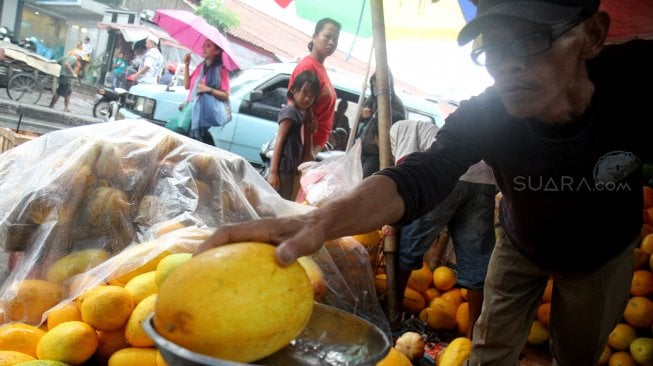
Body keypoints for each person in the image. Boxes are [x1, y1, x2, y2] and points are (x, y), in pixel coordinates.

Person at [198, 0, 653, 364]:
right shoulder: (489, 114)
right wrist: (322, 219)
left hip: (601, 253)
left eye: (531, 40)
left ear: (591, 35)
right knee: (489, 349)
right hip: (522, 243)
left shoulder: (637, 81)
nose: (506, 66)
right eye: (493, 48)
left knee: (577, 355)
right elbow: (420, 176)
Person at [389, 119, 496, 340]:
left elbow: (404, 168)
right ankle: (471, 336)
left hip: (451, 174)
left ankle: (394, 313)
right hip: (486, 177)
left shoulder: (401, 129)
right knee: (477, 260)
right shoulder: (432, 130)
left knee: (410, 243)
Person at [288, 18, 341, 159]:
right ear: (315, 36)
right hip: (303, 145)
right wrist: (307, 150)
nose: (331, 42)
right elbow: (297, 109)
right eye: (327, 36)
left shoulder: (320, 67)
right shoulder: (308, 67)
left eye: (335, 39)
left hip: (312, 146)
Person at [267, 70, 321, 200]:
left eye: (312, 96)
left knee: (286, 198)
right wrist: (273, 172)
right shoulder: (290, 111)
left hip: (291, 168)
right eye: (304, 93)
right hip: (283, 168)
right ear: (294, 90)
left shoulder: (300, 112)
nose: (307, 98)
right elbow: (279, 142)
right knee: (280, 201)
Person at [358, 69, 407, 178]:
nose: (376, 89)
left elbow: (397, 128)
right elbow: (360, 120)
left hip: (377, 153)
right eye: (374, 85)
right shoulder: (371, 100)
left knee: (364, 180)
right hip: (361, 148)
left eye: (378, 85)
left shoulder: (396, 104)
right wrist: (363, 115)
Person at [183, 39, 230, 145]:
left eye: (208, 46)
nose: (204, 48)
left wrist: (209, 89)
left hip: (202, 117)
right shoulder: (200, 67)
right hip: (190, 111)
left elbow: (226, 95)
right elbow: (187, 85)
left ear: (217, 51)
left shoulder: (221, 70)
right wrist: (186, 65)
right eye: (203, 45)